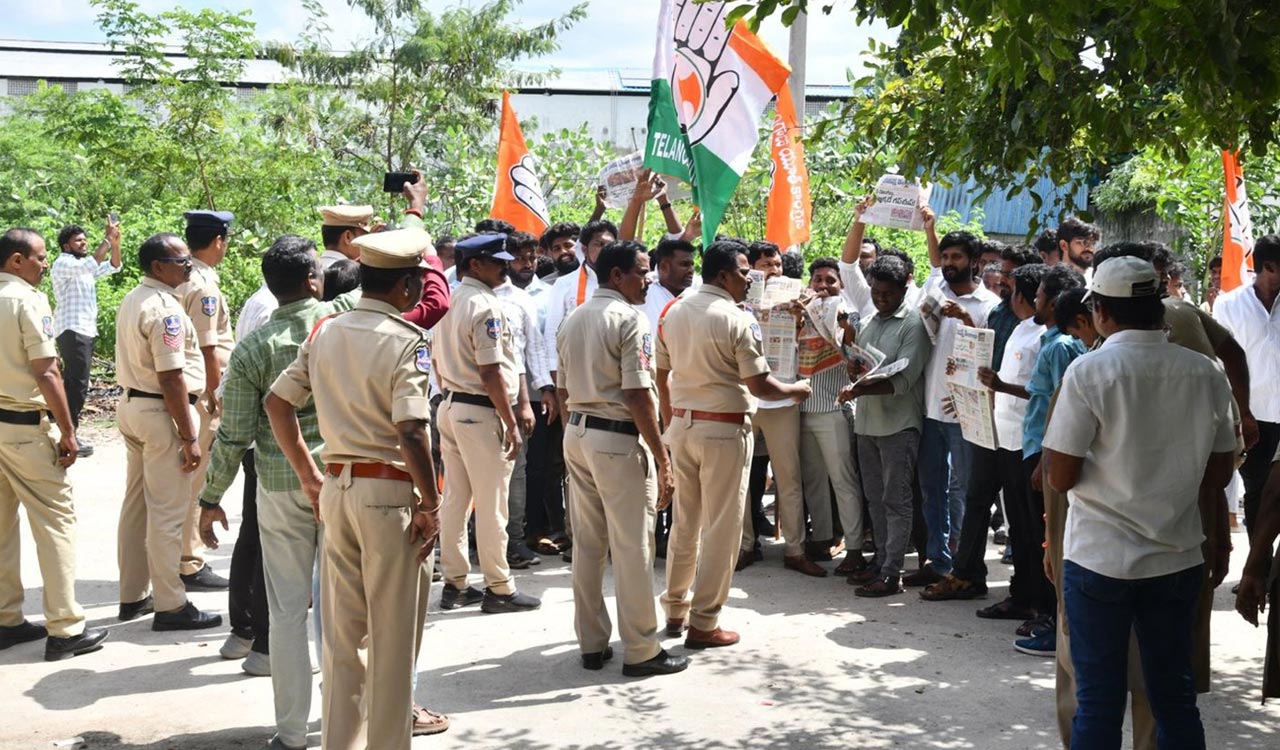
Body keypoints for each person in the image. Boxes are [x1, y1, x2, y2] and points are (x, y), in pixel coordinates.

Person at [1043, 256, 1236, 749]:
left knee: (1099, 702)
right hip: (1175, 559)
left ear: (1101, 312)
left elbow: (1060, 475)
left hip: (1099, 560)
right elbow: (1217, 474)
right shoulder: (1205, 373)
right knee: (1175, 697)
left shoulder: (1089, 372)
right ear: (1158, 309)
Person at [266, 227, 442, 750]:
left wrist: (308, 474)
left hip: (337, 490)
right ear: (408, 285)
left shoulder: (326, 331)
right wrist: (432, 503)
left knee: (344, 641)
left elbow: (278, 404)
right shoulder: (407, 340)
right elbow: (411, 430)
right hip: (389, 496)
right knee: (392, 643)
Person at [197, 235, 360, 743]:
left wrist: (209, 499)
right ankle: (345, 725)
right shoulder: (341, 322)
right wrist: (411, 210)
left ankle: (291, 733)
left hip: (279, 486)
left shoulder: (251, 348)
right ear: (314, 279)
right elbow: (400, 273)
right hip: (344, 482)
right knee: (345, 611)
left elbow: (234, 435)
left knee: (287, 613)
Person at [657, 240, 811, 647]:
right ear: (724, 275)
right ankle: (704, 622)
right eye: (745, 272)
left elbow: (661, 373)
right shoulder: (736, 318)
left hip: (684, 426)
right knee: (722, 530)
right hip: (722, 429)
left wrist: (672, 419)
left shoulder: (674, 311)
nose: (751, 280)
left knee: (685, 525)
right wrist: (796, 390)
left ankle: (676, 608)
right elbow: (760, 383)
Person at [556, 240, 688, 677]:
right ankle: (641, 649)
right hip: (615, 438)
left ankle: (592, 642)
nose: (648, 279)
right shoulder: (629, 319)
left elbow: (561, 387)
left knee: (589, 545)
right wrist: (662, 456)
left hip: (578, 432)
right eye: (643, 271)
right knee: (634, 547)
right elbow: (636, 392)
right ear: (617, 276)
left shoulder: (573, 318)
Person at [0, 227, 108, 661]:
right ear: (16, 261)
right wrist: (68, 431)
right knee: (56, 522)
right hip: (26, 427)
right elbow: (47, 371)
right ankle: (65, 629)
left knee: (2, 527)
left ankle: (6, 619)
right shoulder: (26, 300)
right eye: (39, 257)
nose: (45, 264)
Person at [114, 232, 222, 631]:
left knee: (136, 506)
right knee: (167, 512)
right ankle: (170, 605)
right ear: (159, 267)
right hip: (161, 412)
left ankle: (132, 595)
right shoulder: (166, 311)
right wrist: (189, 436)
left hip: (133, 408)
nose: (188, 266)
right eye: (180, 261)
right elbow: (172, 376)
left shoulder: (135, 298)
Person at [924, 262, 1047, 603]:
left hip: (1022, 436)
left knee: (1023, 519)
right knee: (977, 497)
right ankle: (967, 575)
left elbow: (1041, 390)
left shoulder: (1044, 335)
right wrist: (962, 372)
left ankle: (1029, 592)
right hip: (991, 425)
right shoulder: (1006, 319)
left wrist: (1000, 386)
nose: (1003, 284)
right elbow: (983, 357)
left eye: (1010, 280)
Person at [434, 233, 540, 613]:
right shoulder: (484, 304)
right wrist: (510, 421)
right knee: (492, 503)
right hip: (480, 409)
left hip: (452, 405)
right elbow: (491, 370)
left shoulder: (450, 299)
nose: (505, 265)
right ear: (474, 265)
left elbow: (436, 359)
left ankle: (456, 582)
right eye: (496, 260)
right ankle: (499, 587)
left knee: (457, 500)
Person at [840, 255, 933, 597]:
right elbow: (857, 365)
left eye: (887, 293)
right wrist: (851, 359)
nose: (880, 298)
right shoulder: (869, 320)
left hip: (899, 425)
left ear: (905, 287)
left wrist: (859, 387)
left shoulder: (913, 323)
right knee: (875, 500)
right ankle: (880, 561)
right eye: (876, 292)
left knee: (896, 500)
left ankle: (892, 572)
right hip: (867, 423)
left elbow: (906, 379)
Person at [914, 228, 999, 585]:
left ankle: (966, 567)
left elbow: (989, 358)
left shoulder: (989, 306)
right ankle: (938, 562)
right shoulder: (934, 293)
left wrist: (966, 320)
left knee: (965, 489)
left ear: (975, 262)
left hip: (965, 412)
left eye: (957, 258)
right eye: (945, 257)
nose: (949, 264)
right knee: (931, 489)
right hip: (929, 409)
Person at [738, 240, 823, 576]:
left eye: (775, 265)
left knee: (788, 477)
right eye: (763, 265)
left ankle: (795, 549)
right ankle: (743, 545)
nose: (771, 271)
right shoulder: (736, 301)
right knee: (741, 479)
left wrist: (801, 318)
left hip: (784, 397)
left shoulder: (800, 300)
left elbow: (813, 348)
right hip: (746, 398)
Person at [175, 210, 235, 593]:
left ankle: (177, 556)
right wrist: (215, 395)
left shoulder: (179, 278)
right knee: (196, 481)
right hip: (201, 393)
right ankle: (189, 561)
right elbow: (208, 345)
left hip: (182, 388)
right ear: (218, 241)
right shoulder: (204, 286)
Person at [797, 257, 866, 576]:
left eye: (830, 280)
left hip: (833, 410)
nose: (822, 286)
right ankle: (822, 538)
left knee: (843, 481)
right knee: (813, 480)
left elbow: (855, 359)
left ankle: (853, 548)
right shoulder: (798, 311)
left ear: (841, 285)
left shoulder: (848, 316)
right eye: (817, 280)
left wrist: (843, 327)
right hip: (802, 410)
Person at [490, 232, 552, 570]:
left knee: (516, 470)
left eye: (531, 257)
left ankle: (513, 541)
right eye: (518, 258)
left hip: (515, 399)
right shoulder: (465, 296)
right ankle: (479, 543)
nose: (526, 264)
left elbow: (533, 350)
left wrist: (541, 392)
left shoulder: (521, 300)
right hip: (472, 401)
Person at [1213, 234, 1280, 540]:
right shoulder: (1229, 305)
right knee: (1256, 492)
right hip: (1253, 417)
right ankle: (1258, 569)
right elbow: (1223, 364)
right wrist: (1242, 415)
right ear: (1269, 266)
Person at [50, 219, 122, 456]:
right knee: (77, 384)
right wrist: (106, 239)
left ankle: (67, 432)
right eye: (78, 240)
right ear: (66, 246)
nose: (84, 243)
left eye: (84, 239)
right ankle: (68, 435)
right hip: (72, 328)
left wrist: (115, 243)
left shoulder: (83, 266)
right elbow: (93, 262)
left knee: (75, 383)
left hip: (84, 329)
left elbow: (113, 266)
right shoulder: (64, 263)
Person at [637, 238, 697, 335]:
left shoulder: (696, 297)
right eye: (685, 264)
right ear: (664, 266)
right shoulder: (645, 292)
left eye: (692, 265)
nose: (691, 270)